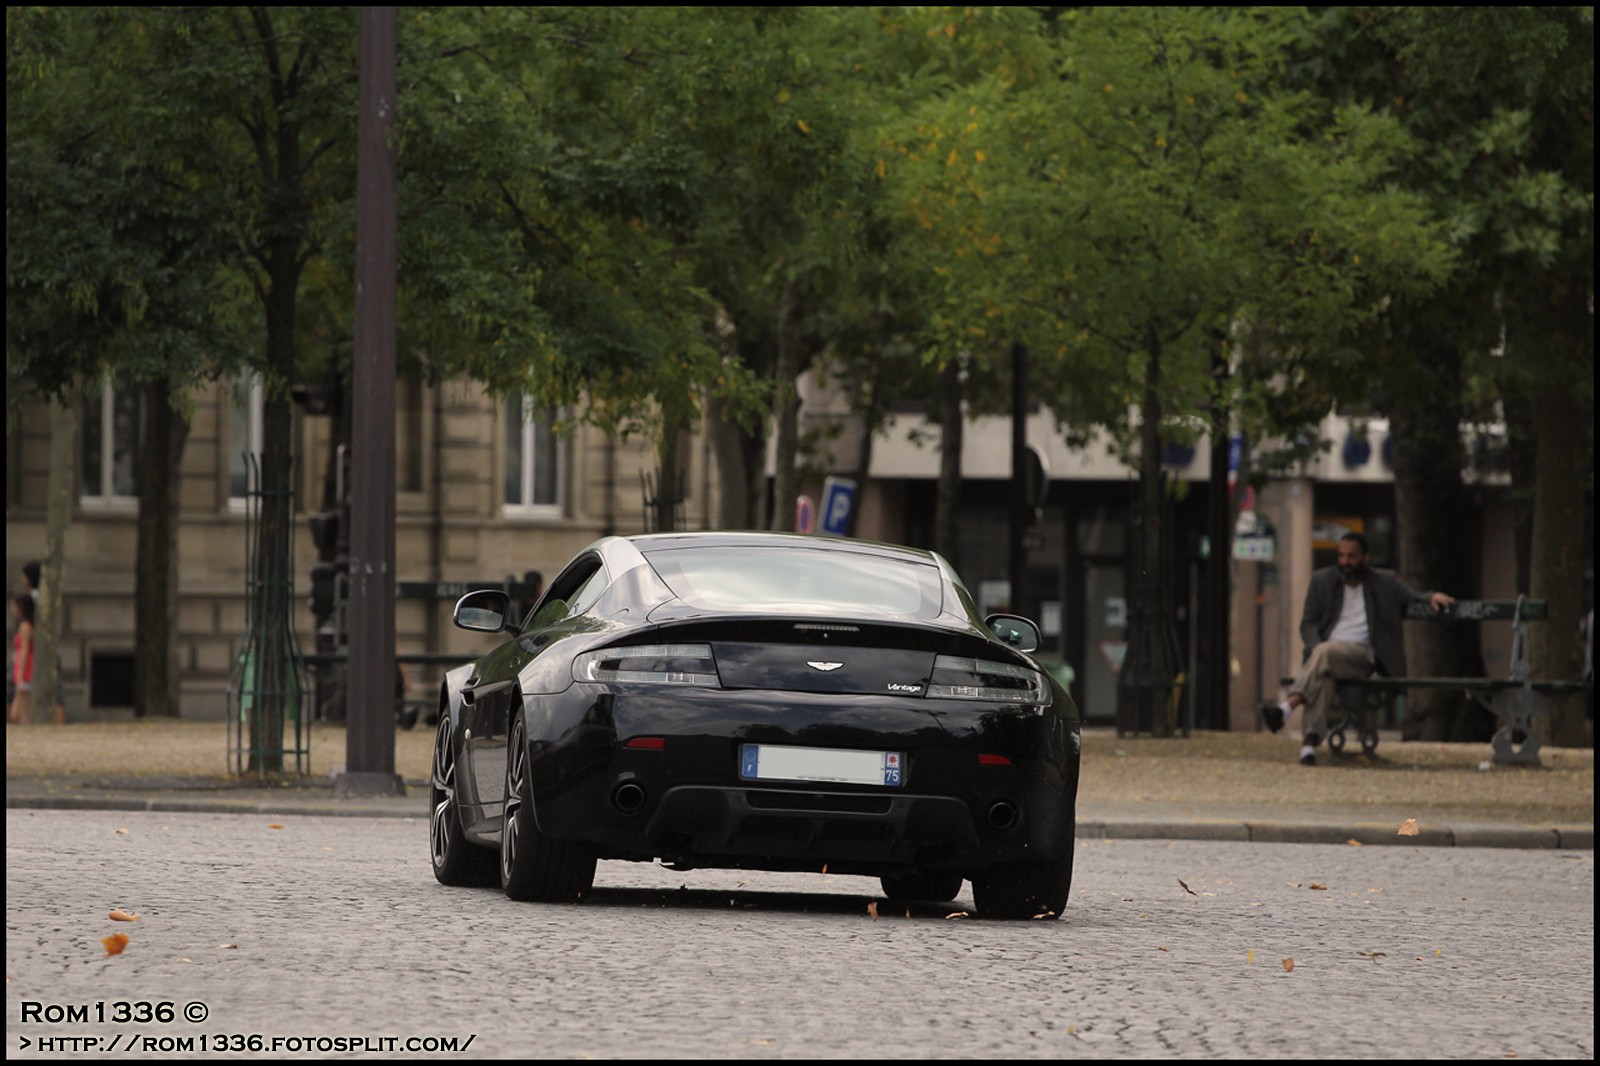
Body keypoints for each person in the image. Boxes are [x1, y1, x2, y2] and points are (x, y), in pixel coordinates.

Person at [1260, 532, 1453, 765]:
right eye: (1341, 556)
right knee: (1323, 674)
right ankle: (1308, 748)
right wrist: (1316, 646)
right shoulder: (1322, 581)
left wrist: (1431, 597)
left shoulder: (1384, 582)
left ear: (1365, 558)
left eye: (1351, 557)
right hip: (1327, 657)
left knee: (1324, 654)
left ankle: (1287, 707)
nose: (1345, 562)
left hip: (1362, 656)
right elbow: (1308, 623)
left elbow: (1410, 595)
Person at [20, 560, 67, 723]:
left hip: (39, 652)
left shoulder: (32, 600)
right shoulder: (52, 598)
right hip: (50, 651)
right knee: (55, 693)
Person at [9, 594, 35, 724]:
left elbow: (24, 651)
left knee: (22, 713)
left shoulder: (25, 627)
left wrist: (20, 675)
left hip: (25, 669)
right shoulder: (27, 625)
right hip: (23, 667)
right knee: (15, 713)